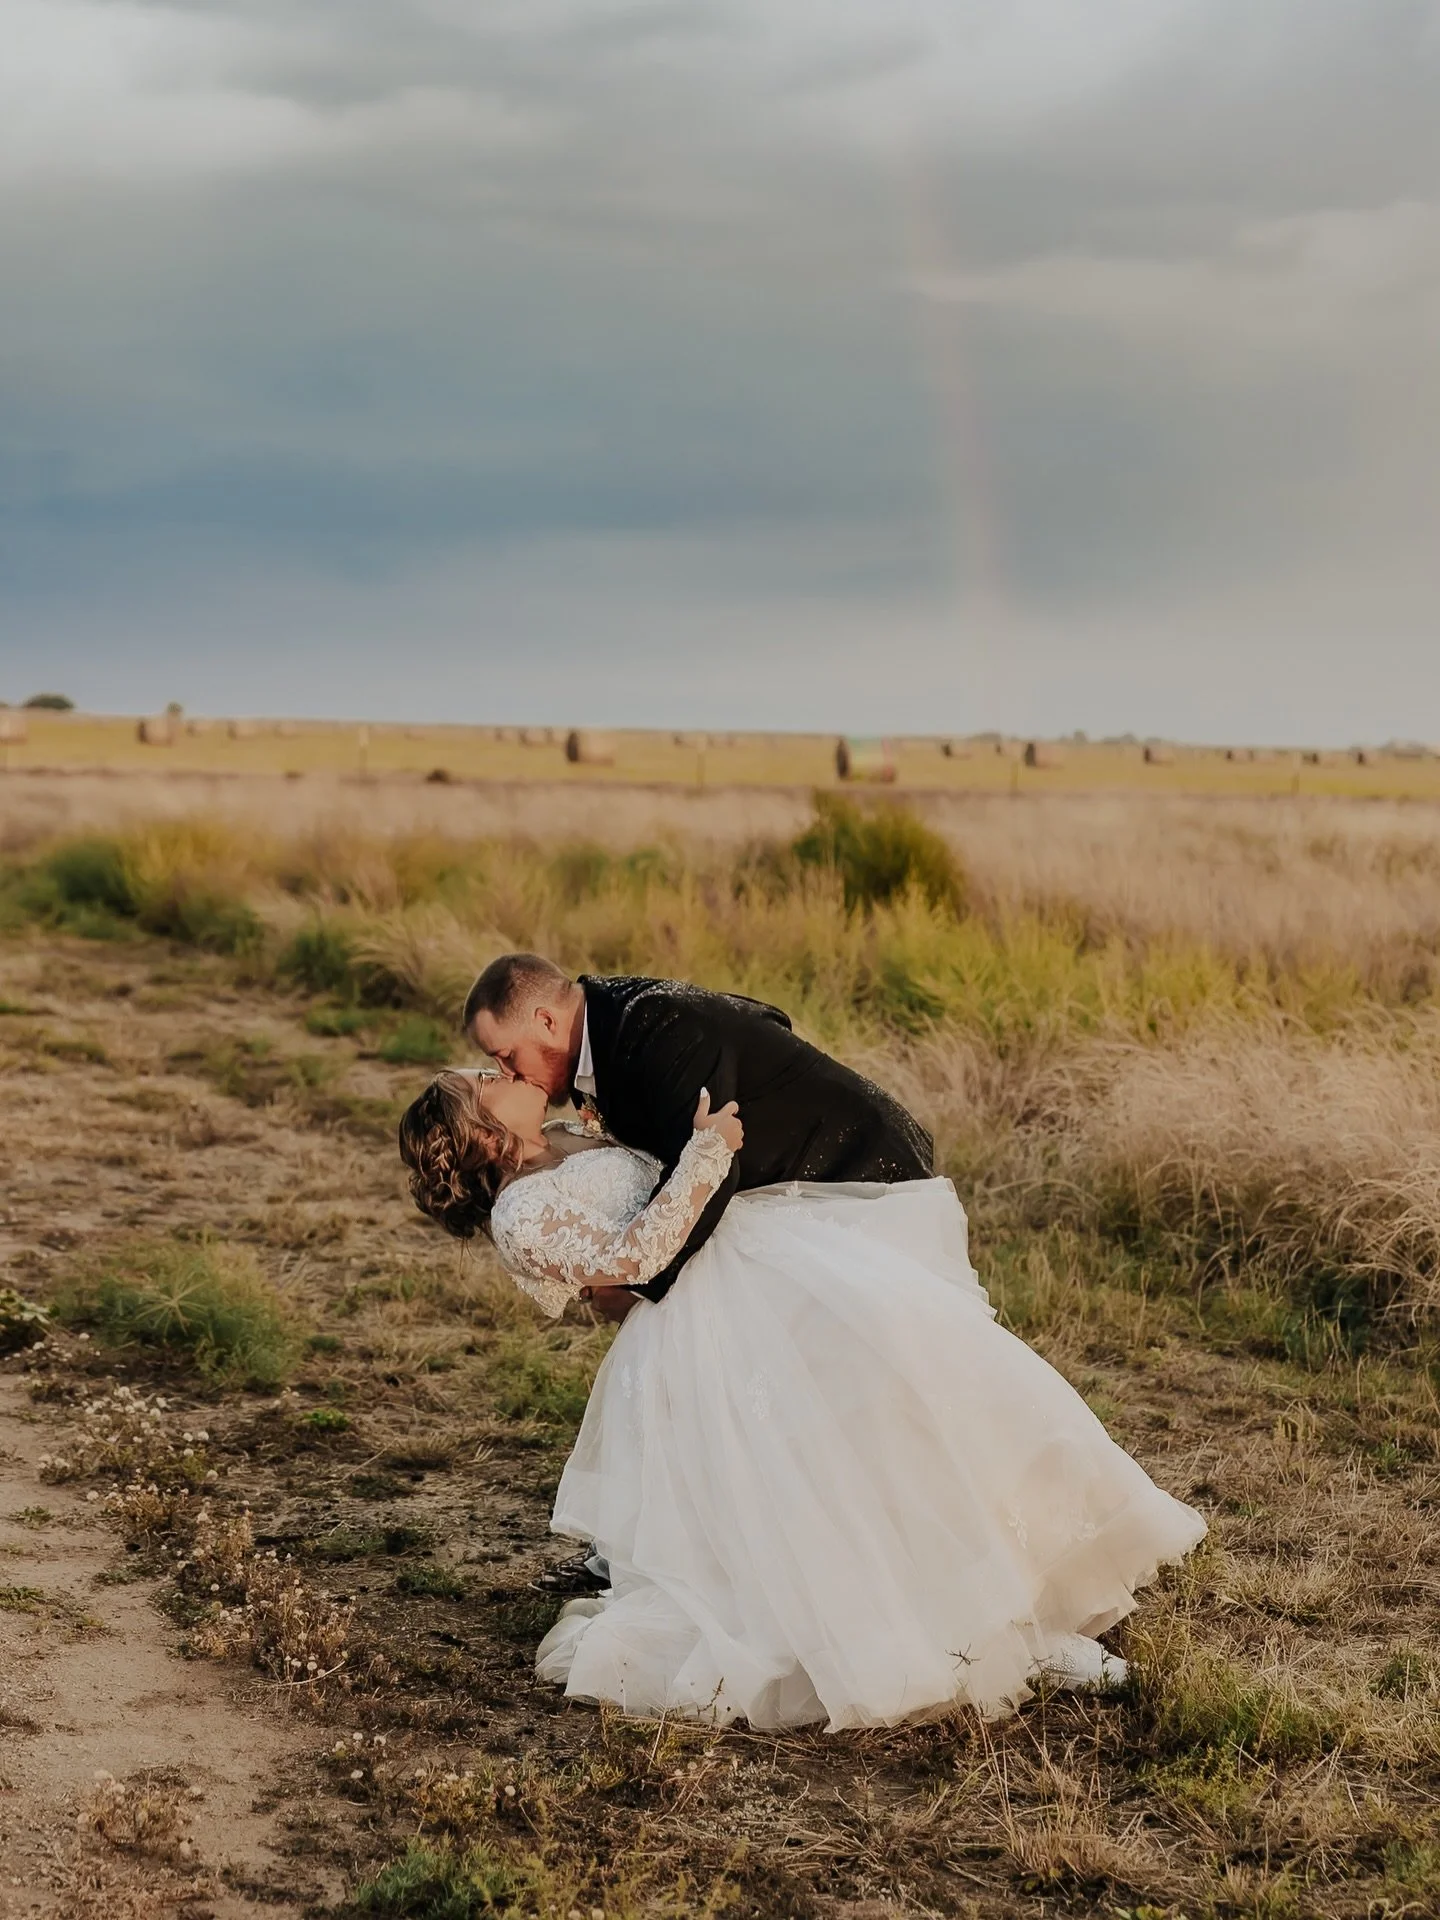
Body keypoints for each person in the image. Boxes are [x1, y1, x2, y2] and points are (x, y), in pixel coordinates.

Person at [398, 1061, 1206, 1732]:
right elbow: (635, 1256)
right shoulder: (519, 1213)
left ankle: (1015, 1599)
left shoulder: (572, 1133)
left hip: (767, 1261)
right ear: (478, 1132)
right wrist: (708, 1154)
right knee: (812, 1479)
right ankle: (949, 1637)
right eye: (483, 1077)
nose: (498, 1070)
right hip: (703, 1327)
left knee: (904, 1411)